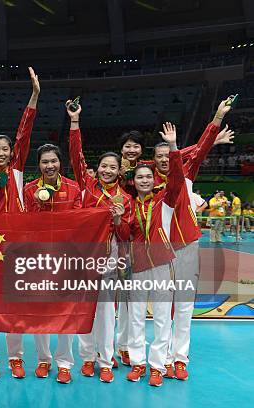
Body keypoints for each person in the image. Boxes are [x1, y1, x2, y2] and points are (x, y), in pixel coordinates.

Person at [150, 100, 231, 380]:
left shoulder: (186, 176)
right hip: (159, 250)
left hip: (186, 246)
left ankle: (179, 358)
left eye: (166, 155)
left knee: (183, 306)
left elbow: (200, 149)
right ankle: (160, 362)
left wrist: (217, 117)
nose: (163, 159)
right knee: (161, 308)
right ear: (153, 161)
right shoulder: (144, 183)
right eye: (158, 156)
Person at [0, 67, 39, 379]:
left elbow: (24, 132)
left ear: (12, 153)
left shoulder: (16, 171)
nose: (2, 152)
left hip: (17, 247)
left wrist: (34, 96)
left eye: (6, 149)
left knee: (14, 304)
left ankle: (15, 357)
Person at [68, 101, 132, 384]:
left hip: (109, 258)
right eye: (103, 166)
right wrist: (74, 122)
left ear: (120, 172)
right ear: (97, 169)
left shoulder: (126, 199)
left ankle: (105, 361)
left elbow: (127, 235)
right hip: (83, 257)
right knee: (85, 310)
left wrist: (118, 220)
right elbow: (75, 156)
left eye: (112, 167)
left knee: (106, 313)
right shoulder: (88, 187)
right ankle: (87, 358)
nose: (107, 170)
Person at [116, 128, 184, 387]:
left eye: (148, 177)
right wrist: (118, 217)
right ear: (135, 181)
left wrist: (174, 146)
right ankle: (138, 363)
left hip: (162, 265)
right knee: (134, 317)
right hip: (138, 267)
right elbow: (124, 234)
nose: (145, 180)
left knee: (162, 316)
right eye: (140, 177)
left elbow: (177, 177)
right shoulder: (130, 205)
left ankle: (157, 365)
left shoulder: (164, 201)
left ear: (155, 180)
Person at [23, 143, 84, 383]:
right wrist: (38, 205)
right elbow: (25, 224)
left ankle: (65, 363)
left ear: (60, 163)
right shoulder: (29, 190)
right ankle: (43, 359)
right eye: (45, 162)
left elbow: (79, 221)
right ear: (39, 165)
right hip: (38, 258)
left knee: (67, 312)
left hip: (67, 257)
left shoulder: (73, 187)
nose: (50, 166)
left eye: (54, 161)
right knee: (41, 312)